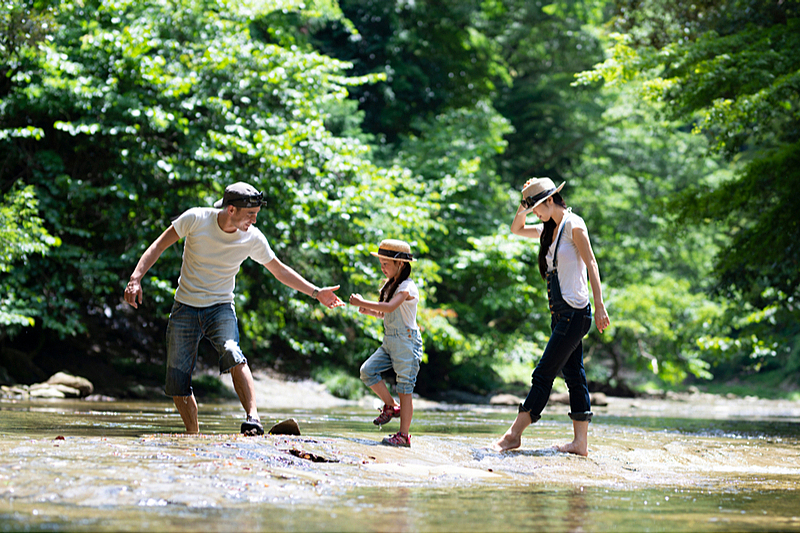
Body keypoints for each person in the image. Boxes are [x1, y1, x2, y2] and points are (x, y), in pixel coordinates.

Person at [123, 182, 344, 435]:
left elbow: (279, 270)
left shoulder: (252, 238)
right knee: (176, 380)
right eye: (250, 214)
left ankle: (253, 420)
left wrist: (316, 292)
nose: (254, 220)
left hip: (220, 308)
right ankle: (193, 436)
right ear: (230, 209)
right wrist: (135, 278)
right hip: (185, 307)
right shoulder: (195, 219)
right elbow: (159, 245)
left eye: (257, 214)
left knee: (232, 351)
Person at [493, 177, 610, 456]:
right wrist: (524, 203)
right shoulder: (550, 229)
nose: (535, 214)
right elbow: (516, 228)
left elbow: (591, 263)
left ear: (549, 200)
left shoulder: (574, 225)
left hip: (575, 313)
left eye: (536, 207)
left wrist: (601, 305)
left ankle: (513, 436)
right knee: (574, 376)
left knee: (543, 373)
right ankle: (580, 443)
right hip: (560, 315)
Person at [349, 239, 423, 448]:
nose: (382, 268)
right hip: (390, 341)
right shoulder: (391, 286)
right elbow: (384, 312)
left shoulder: (407, 287)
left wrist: (362, 302)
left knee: (405, 388)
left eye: (386, 264)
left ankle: (403, 435)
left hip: (406, 343)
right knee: (367, 371)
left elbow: (390, 307)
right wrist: (368, 310)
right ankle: (391, 406)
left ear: (401, 264)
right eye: (381, 263)